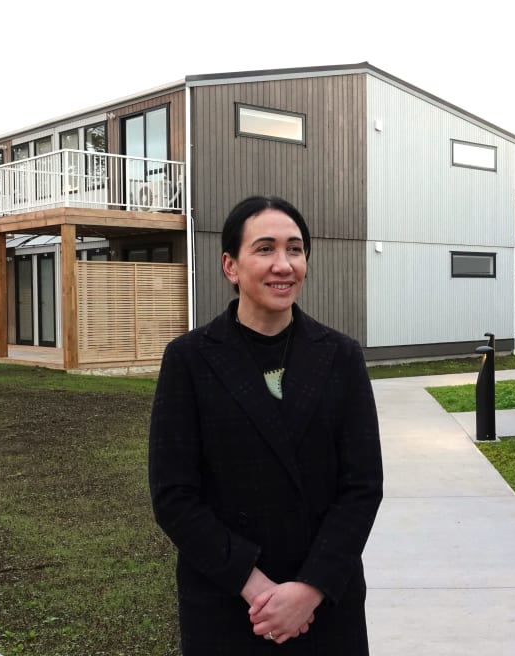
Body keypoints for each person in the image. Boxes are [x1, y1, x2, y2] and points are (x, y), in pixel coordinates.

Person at [149, 195, 384, 655]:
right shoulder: (190, 359)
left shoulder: (341, 356)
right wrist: (257, 589)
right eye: (265, 249)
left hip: (324, 602)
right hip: (228, 603)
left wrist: (309, 589)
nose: (283, 264)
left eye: (294, 249)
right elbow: (173, 495)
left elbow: (362, 486)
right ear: (231, 266)